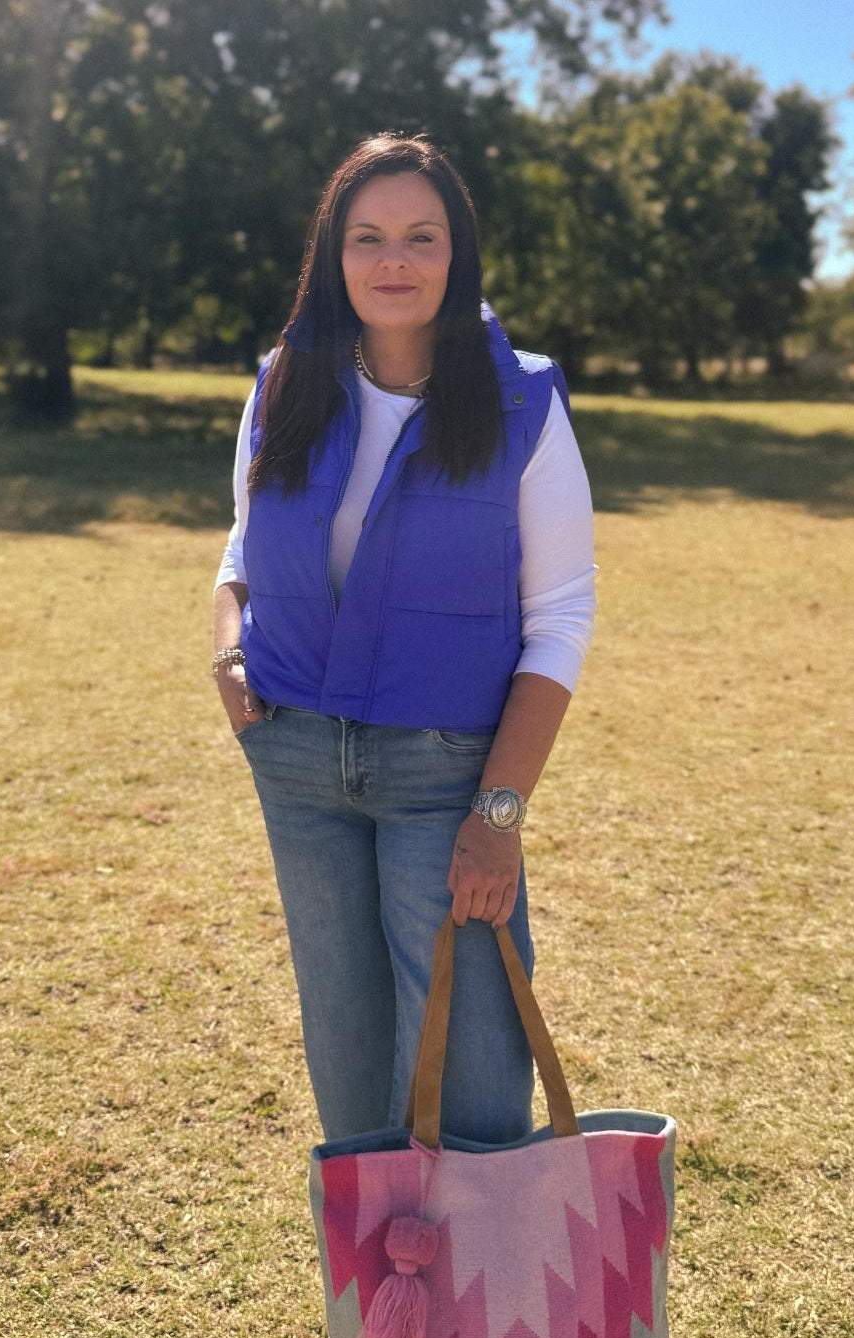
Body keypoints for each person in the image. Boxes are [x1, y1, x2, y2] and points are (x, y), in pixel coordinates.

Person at [212, 132, 596, 1149]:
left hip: (448, 778)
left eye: (421, 237)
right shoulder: (285, 380)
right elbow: (242, 544)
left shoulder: (524, 400)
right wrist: (224, 655)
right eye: (368, 236)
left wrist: (499, 812)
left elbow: (559, 619)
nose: (394, 261)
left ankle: (477, 1296)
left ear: (456, 254)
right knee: (346, 1055)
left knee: (468, 1078)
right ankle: (380, 1303)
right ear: (334, 254)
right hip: (296, 763)